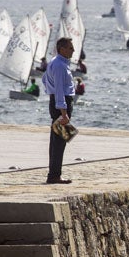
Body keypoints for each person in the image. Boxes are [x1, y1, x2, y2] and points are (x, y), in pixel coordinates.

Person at [44, 36, 75, 185]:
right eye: (70, 47)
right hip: (61, 105)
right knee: (59, 142)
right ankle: (54, 175)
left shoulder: (57, 63)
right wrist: (64, 112)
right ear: (61, 49)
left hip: (57, 103)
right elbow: (60, 90)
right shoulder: (60, 66)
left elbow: (45, 79)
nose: (73, 50)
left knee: (57, 141)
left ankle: (54, 173)